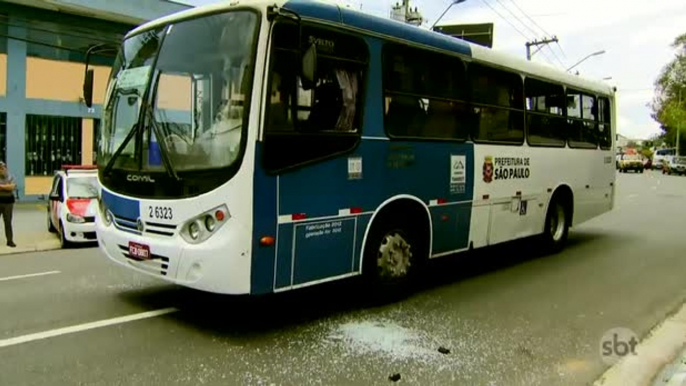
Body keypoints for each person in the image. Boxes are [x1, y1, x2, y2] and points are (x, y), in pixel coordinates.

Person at [0, 162, 16, 247]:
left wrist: (2, 187)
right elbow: (9, 187)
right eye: (0, 168)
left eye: (3, 168)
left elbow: (12, 187)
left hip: (8, 203)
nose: (2, 170)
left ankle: (9, 240)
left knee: (8, 222)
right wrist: (7, 186)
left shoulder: (10, 176)